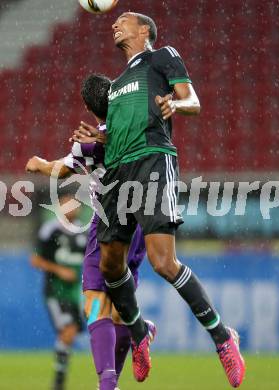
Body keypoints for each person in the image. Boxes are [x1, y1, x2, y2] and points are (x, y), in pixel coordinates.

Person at [77, 12, 245, 387]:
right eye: (114, 21)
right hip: (118, 173)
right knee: (109, 266)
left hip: (153, 160)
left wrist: (175, 106)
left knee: (164, 262)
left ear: (144, 31)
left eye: (124, 20)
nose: (114, 24)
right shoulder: (117, 84)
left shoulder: (161, 57)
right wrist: (104, 138)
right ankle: (139, 332)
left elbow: (193, 101)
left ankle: (222, 337)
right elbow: (118, 130)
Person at [26, 74, 150, 390]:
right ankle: (134, 334)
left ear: (87, 106)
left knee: (95, 304)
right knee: (120, 305)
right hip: (139, 225)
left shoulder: (89, 144)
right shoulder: (136, 132)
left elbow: (60, 169)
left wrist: (37, 163)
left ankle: (109, 379)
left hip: (107, 223)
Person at [31, 194, 86, 390]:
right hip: (56, 292)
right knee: (68, 331)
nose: (71, 209)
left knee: (69, 334)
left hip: (77, 294)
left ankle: (60, 378)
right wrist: (59, 270)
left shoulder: (84, 232)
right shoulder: (50, 230)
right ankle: (59, 382)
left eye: (75, 206)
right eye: (66, 205)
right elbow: (36, 260)